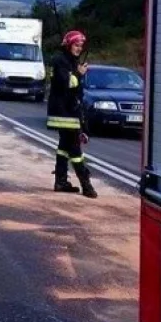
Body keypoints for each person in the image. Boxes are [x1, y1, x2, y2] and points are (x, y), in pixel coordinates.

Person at [46, 30, 97, 198]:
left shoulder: (69, 60)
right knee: (75, 147)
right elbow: (66, 83)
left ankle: (61, 181)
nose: (79, 49)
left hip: (68, 110)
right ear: (68, 45)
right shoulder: (60, 61)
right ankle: (86, 185)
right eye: (76, 45)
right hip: (64, 112)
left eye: (81, 46)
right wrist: (78, 74)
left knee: (64, 146)